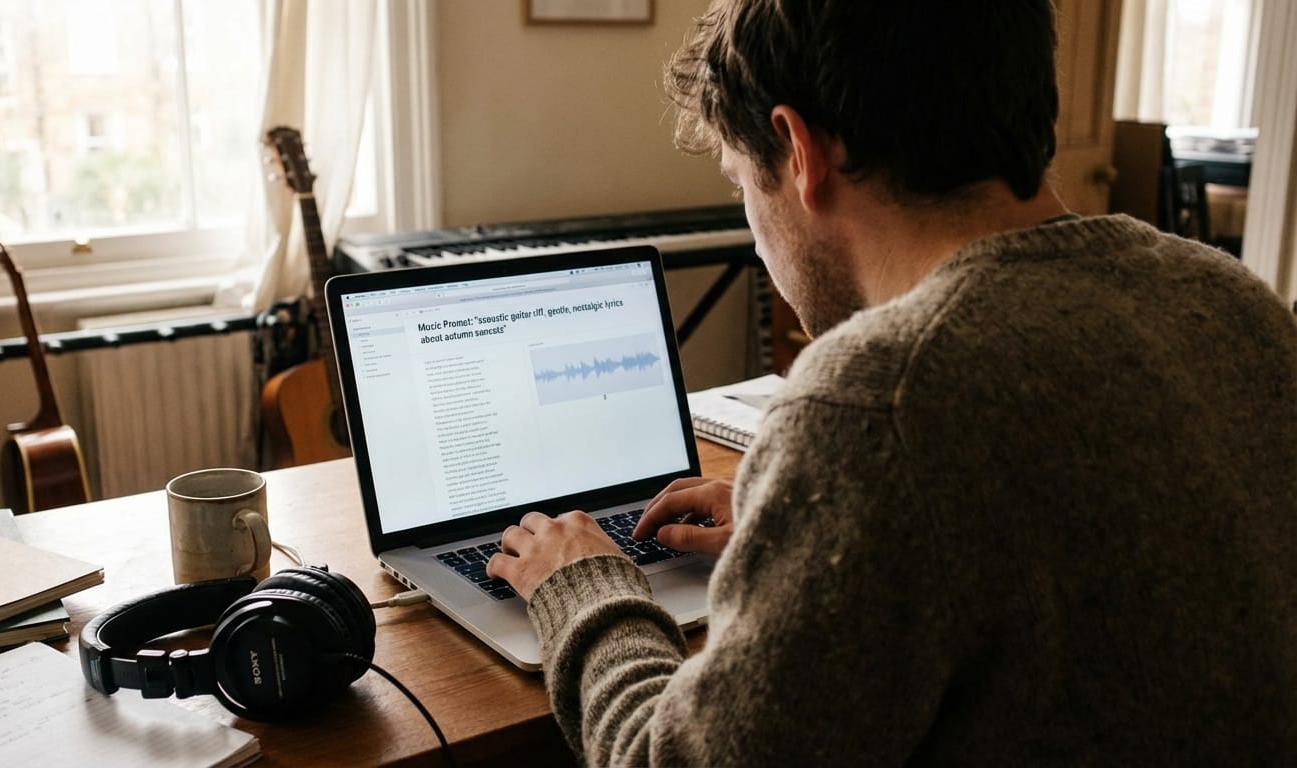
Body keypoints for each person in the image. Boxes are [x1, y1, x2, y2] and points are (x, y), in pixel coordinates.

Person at [486, 0, 1297, 763]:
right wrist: (814, 527)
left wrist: (583, 587)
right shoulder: (1233, 305)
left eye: (741, 182)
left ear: (799, 152)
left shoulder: (875, 401)